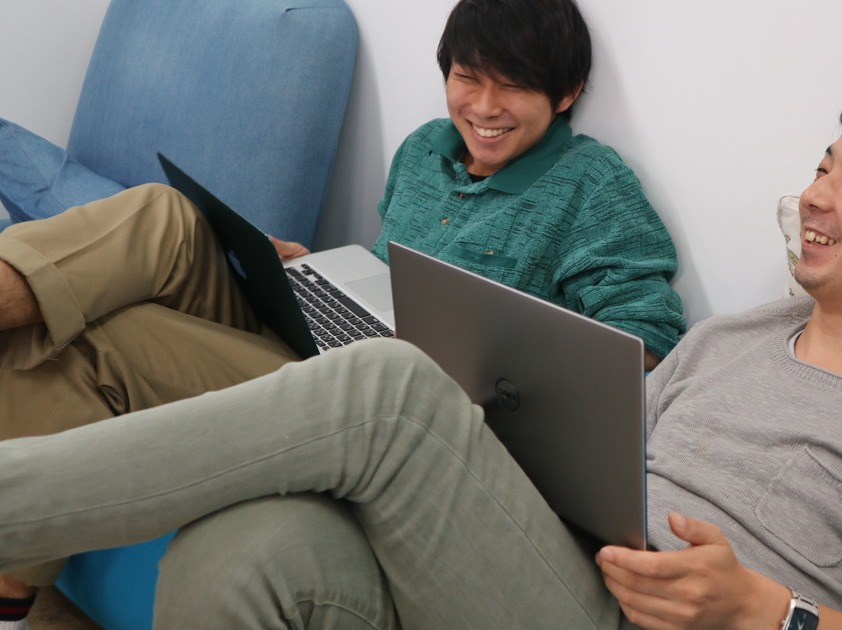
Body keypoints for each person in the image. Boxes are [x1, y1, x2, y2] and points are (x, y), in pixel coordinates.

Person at [0, 80, 842, 629]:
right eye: (821, 168)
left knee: (388, 388)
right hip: (543, 570)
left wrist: (770, 614)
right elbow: (602, 469)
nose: (812, 196)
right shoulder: (732, 340)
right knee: (242, 550)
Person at [0, 0, 686, 623]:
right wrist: (311, 268)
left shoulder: (594, 188)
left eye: (513, 86)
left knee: (105, 337)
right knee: (167, 215)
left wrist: (497, 357)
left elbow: (647, 342)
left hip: (408, 419)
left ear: (566, 93)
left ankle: (10, 574)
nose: (484, 106)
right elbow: (395, 274)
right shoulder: (424, 149)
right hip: (327, 352)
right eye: (467, 78)